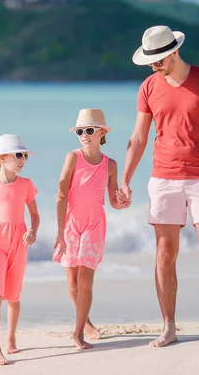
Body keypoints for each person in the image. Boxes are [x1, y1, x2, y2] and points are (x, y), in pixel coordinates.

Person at [118, 25, 199, 347]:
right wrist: (125, 180)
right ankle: (169, 325)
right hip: (164, 178)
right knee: (164, 253)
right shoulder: (148, 87)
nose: (153, 65)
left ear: (173, 52)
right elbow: (139, 137)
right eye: (149, 60)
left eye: (157, 59)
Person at [53, 108, 128, 350]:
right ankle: (86, 322)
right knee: (73, 282)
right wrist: (60, 229)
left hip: (95, 223)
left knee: (85, 280)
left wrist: (123, 201)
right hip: (72, 222)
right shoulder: (73, 157)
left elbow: (114, 201)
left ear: (102, 132)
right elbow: (61, 192)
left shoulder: (110, 164)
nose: (84, 135)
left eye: (89, 130)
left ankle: (77, 334)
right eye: (80, 131)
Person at [0, 134, 40, 365]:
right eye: (18, 155)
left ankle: (11, 338)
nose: (22, 160)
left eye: (24, 156)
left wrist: (32, 231)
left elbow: (34, 214)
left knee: (13, 296)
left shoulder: (26, 185)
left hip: (18, 242)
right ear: (2, 159)